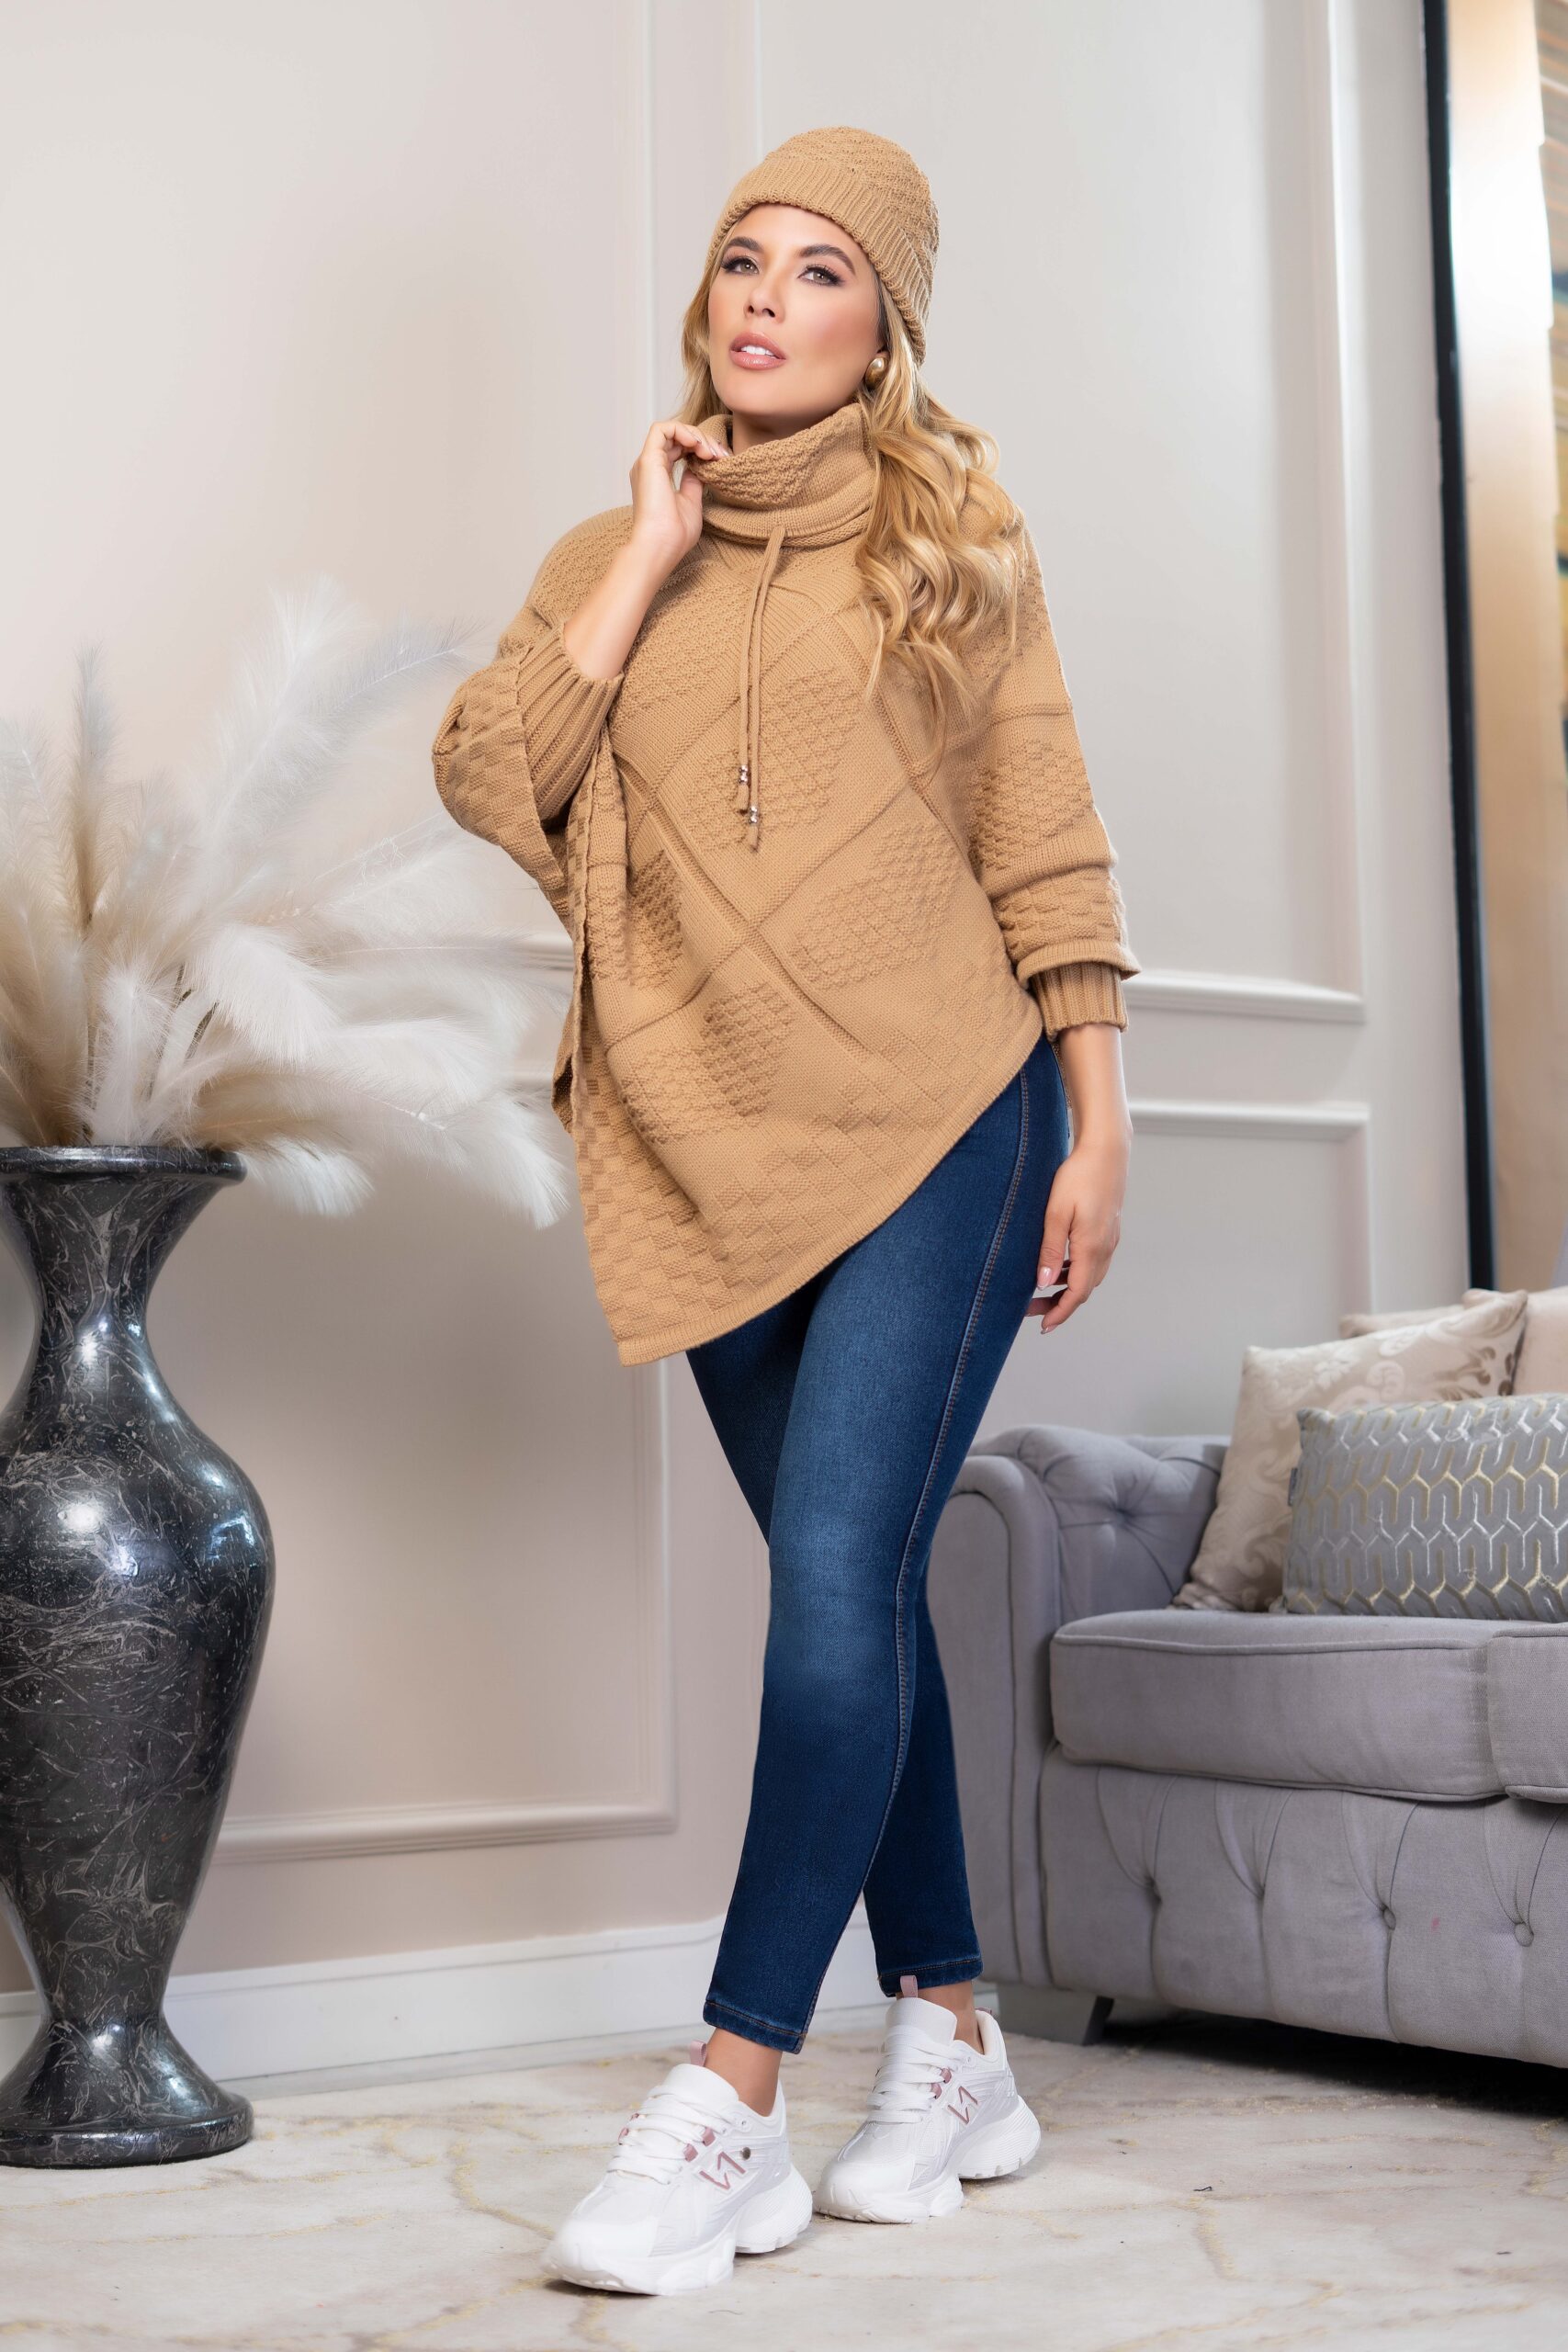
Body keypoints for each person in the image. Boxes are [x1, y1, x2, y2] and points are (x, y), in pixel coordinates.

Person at [432, 124, 1140, 2299]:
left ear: (880, 326)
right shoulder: (608, 547)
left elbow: (1042, 835)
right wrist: (643, 558)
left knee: (832, 1575)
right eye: (743, 258)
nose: (765, 296)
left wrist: (1095, 1119)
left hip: (948, 1116)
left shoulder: (953, 541)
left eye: (820, 268)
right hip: (703, 1138)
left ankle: (727, 2092)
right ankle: (955, 2037)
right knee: (861, 1589)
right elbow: (490, 768)